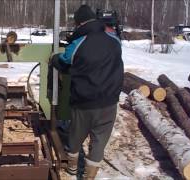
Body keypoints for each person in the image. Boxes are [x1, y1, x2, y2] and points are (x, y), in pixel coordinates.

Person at [51, 5, 123, 179]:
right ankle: (89, 177)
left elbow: (65, 62)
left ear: (80, 23)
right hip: (109, 103)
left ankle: (72, 169)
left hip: (85, 103)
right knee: (99, 143)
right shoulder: (114, 40)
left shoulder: (78, 43)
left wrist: (52, 59)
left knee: (75, 138)